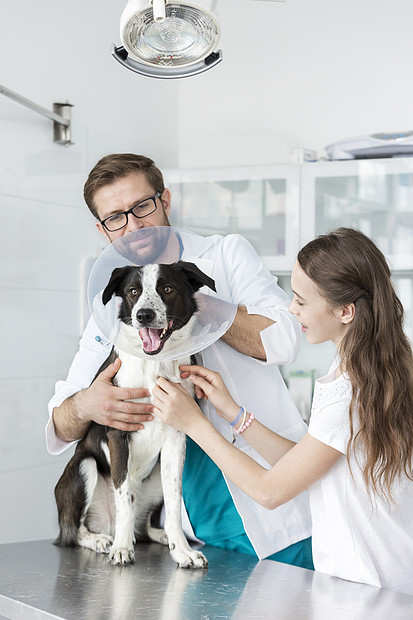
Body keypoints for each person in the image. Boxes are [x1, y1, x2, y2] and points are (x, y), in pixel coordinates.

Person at [46, 153, 313, 568]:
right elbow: (61, 423)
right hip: (185, 520)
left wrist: (190, 302)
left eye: (141, 207)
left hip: (266, 502)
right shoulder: (119, 306)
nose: (132, 226)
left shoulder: (225, 256)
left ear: (164, 200)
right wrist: (88, 404)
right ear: (103, 230)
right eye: (116, 218)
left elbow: (284, 339)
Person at [152, 227, 413, 595]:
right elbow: (306, 463)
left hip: (373, 588)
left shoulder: (349, 393)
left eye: (301, 301)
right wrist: (234, 414)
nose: (291, 309)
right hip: (373, 580)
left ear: (345, 311)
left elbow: (271, 491)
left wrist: (193, 424)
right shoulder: (356, 372)